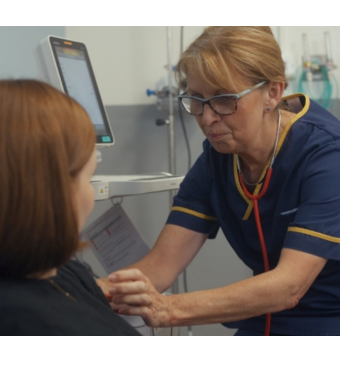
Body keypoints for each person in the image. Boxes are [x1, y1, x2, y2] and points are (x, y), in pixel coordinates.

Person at [105, 26, 340, 335]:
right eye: (197, 100)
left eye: (224, 99)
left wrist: (169, 309)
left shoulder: (326, 157)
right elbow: (158, 268)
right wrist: (72, 290)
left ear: (272, 92)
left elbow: (288, 287)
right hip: (263, 319)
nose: (207, 118)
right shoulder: (219, 157)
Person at [0, 79, 139, 335]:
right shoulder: (34, 324)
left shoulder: (61, 271)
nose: (91, 193)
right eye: (89, 178)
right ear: (51, 191)